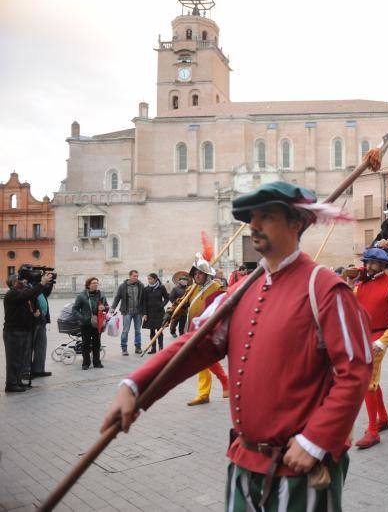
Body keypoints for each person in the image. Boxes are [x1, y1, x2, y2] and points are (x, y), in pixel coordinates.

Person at [102, 180, 372, 510]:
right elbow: (196, 346)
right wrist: (136, 386)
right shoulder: (240, 291)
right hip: (244, 463)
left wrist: (317, 440)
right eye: (252, 217)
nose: (254, 225)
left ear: (296, 223)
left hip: (302, 468)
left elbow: (356, 371)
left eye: (267, 216)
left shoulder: (327, 290)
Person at [352, 248, 388, 449]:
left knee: (368, 380)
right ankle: (383, 418)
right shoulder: (361, 285)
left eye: (372, 263)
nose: (368, 266)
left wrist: (382, 342)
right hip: (363, 335)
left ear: (383, 265)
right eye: (366, 262)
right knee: (372, 379)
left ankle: (373, 431)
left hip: (379, 336)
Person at [185, 254, 230, 406]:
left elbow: (224, 304)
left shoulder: (217, 287)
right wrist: (170, 313)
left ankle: (216, 385)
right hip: (194, 328)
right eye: (195, 273)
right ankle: (214, 387)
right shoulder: (192, 289)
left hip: (209, 329)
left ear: (206, 275)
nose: (197, 276)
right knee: (202, 361)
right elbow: (181, 303)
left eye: (200, 273)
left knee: (203, 360)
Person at [4, 272, 53, 392]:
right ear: (14, 283)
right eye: (20, 280)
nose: (24, 282)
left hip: (22, 331)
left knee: (20, 359)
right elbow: (29, 294)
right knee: (14, 360)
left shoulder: (20, 294)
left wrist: (33, 313)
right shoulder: (12, 294)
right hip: (14, 332)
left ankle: (18, 381)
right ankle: (11, 384)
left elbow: (33, 295)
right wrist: (41, 283)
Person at [72, 277, 108, 370]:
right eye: (93, 283)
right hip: (86, 324)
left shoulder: (101, 295)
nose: (96, 284)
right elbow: (75, 309)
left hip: (97, 323)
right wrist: (82, 318)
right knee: (86, 344)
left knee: (97, 343)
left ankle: (97, 362)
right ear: (88, 285)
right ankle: (86, 363)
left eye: (97, 283)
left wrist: (104, 307)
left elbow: (107, 306)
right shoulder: (82, 296)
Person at [111, 269, 146, 355]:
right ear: (130, 276)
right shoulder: (123, 286)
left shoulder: (141, 285)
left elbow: (144, 299)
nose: (136, 278)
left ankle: (138, 347)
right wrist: (113, 308)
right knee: (125, 330)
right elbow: (117, 297)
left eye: (137, 276)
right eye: (134, 276)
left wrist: (144, 311)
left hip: (138, 312)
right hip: (127, 312)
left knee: (138, 331)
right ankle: (124, 348)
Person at [142, 273, 169, 353]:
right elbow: (144, 302)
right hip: (150, 313)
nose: (149, 280)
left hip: (159, 312)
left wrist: (162, 305)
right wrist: (145, 313)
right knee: (152, 331)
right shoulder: (146, 289)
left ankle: (161, 348)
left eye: (150, 279)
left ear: (155, 279)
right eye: (148, 279)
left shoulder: (161, 287)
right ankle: (153, 348)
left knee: (159, 330)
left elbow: (167, 298)